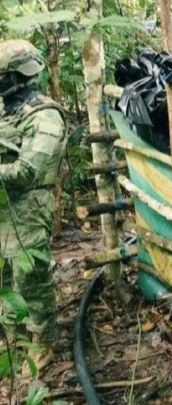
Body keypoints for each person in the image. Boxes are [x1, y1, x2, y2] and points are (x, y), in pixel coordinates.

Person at [0, 39, 67, 376]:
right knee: (5, 274)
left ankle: (42, 341)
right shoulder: (7, 109)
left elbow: (28, 171)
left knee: (30, 275)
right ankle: (13, 338)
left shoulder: (45, 116)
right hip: (4, 206)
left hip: (28, 206)